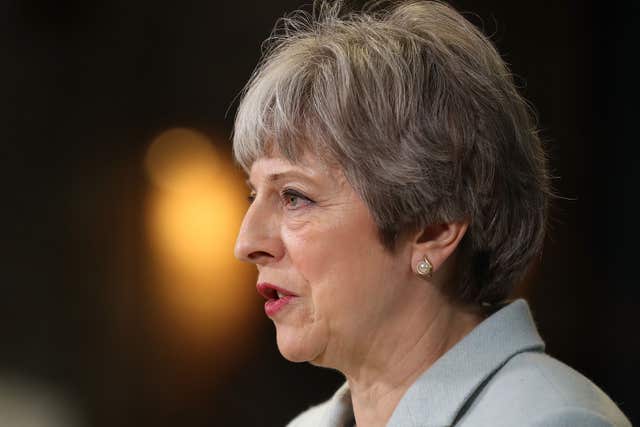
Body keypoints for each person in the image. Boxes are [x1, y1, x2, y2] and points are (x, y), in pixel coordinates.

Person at [232, 1, 632, 426]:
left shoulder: (553, 420)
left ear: (434, 229)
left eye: (294, 196)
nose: (246, 244)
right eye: (253, 195)